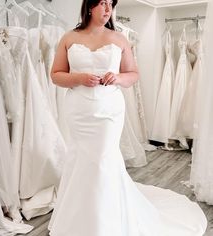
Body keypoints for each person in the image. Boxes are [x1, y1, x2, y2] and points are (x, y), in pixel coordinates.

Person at [48, 0, 207, 235]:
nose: (107, 8)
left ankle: (105, 222)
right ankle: (77, 218)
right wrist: (79, 78)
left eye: (110, 4)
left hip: (108, 110)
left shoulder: (119, 38)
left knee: (102, 158)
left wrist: (117, 78)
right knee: (80, 158)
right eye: (102, 3)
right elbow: (56, 75)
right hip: (79, 111)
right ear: (89, 6)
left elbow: (132, 74)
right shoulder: (69, 38)